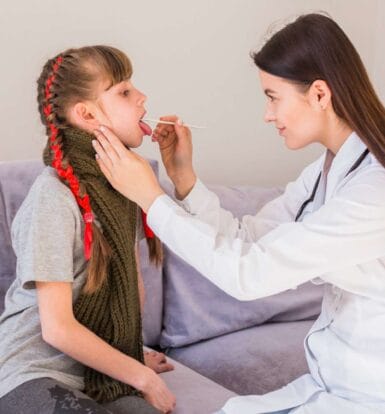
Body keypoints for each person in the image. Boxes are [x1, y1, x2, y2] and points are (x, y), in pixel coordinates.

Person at [91, 13, 385, 414]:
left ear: (319, 94)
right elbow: (248, 239)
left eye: (272, 96)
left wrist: (151, 200)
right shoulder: (325, 171)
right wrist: (186, 182)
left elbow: (249, 275)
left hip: (367, 395)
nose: (267, 115)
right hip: (332, 381)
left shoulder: (374, 191)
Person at [0, 45, 176, 414]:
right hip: (32, 373)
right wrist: (141, 376)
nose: (142, 97)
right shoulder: (54, 197)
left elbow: (132, 292)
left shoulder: (122, 189)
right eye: (125, 92)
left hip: (96, 375)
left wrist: (129, 355)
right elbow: (57, 329)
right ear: (87, 114)